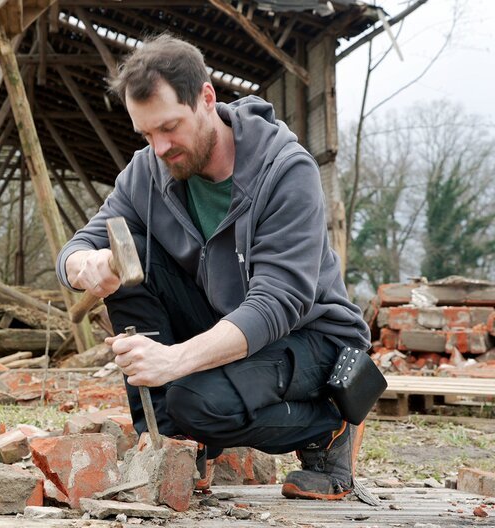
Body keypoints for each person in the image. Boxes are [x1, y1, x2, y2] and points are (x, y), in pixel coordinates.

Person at [55, 34, 371, 500]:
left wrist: (174, 360)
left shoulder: (285, 171)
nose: (159, 148)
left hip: (310, 338)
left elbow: (274, 304)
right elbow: (79, 243)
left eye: (169, 128)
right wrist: (85, 265)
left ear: (207, 98)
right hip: (225, 322)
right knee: (131, 264)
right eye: (146, 134)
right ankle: (173, 449)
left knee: (196, 401)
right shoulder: (148, 171)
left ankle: (329, 428)